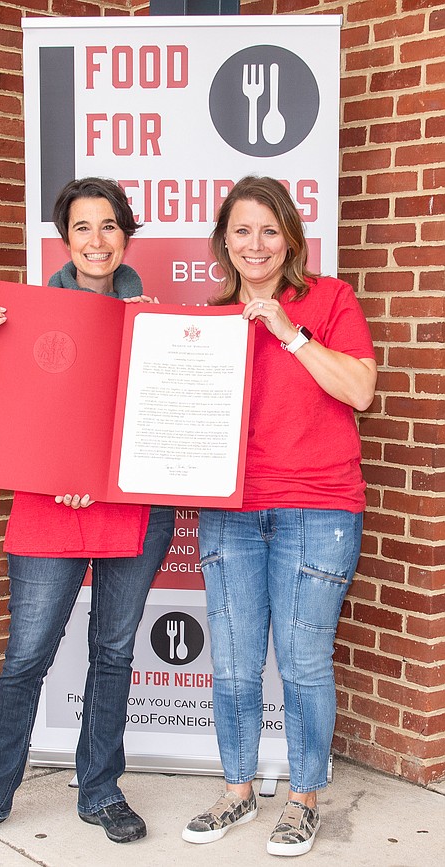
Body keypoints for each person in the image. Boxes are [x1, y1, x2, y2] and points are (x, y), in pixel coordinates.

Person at [0, 177, 174, 846]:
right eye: (83, 227)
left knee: (113, 651)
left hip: (131, 504)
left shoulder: (154, 315)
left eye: (109, 225)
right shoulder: (25, 312)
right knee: (27, 655)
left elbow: (159, 420)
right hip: (45, 504)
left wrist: (163, 345)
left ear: (126, 235)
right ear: (66, 238)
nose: (97, 239)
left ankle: (101, 790)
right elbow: (10, 404)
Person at [181, 176, 376, 857]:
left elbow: (360, 388)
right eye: (241, 230)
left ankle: (302, 799)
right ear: (224, 241)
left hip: (317, 508)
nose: (255, 244)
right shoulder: (210, 321)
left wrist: (290, 333)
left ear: (290, 236)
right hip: (231, 513)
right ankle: (238, 791)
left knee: (301, 664)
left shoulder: (329, 299)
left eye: (268, 229)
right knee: (232, 665)